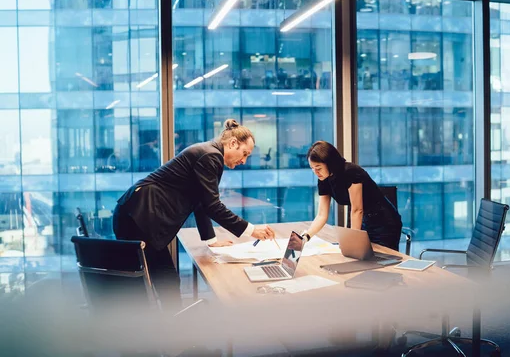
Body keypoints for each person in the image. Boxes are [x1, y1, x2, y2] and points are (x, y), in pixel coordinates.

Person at [112, 119, 275, 310]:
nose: (244, 160)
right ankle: (166, 331)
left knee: (167, 283)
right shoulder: (210, 156)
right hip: (138, 216)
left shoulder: (210, 154)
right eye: (244, 153)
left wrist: (211, 240)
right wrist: (252, 230)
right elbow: (212, 205)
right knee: (157, 284)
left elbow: (201, 202)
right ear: (232, 143)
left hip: (139, 215)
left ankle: (171, 329)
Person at [302, 141, 402, 251]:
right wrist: (307, 236)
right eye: (312, 168)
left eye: (318, 168)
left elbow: (357, 209)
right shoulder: (323, 180)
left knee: (383, 260)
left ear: (329, 163)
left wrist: (353, 243)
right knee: (361, 258)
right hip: (364, 220)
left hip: (384, 222)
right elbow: (321, 215)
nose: (315, 172)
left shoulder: (351, 172)